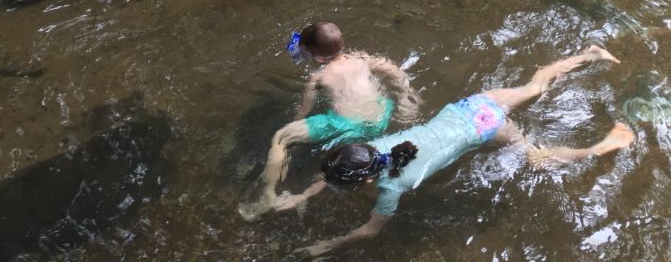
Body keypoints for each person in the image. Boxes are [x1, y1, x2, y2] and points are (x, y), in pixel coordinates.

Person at [274, 45, 633, 257]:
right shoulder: (371, 148)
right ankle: (589, 54)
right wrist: (302, 194)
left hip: (485, 129)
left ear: (367, 178)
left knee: (535, 158)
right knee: (534, 86)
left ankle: (600, 147)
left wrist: (324, 246)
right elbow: (340, 168)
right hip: (469, 107)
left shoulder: (394, 187)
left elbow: (369, 231)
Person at [238, 21, 421, 221]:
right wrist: (406, 96)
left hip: (348, 124)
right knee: (344, 161)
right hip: (380, 117)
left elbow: (303, 112)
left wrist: (292, 125)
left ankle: (268, 190)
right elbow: (392, 68)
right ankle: (305, 193)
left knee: (281, 138)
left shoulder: (319, 77)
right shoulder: (362, 58)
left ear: (316, 56)